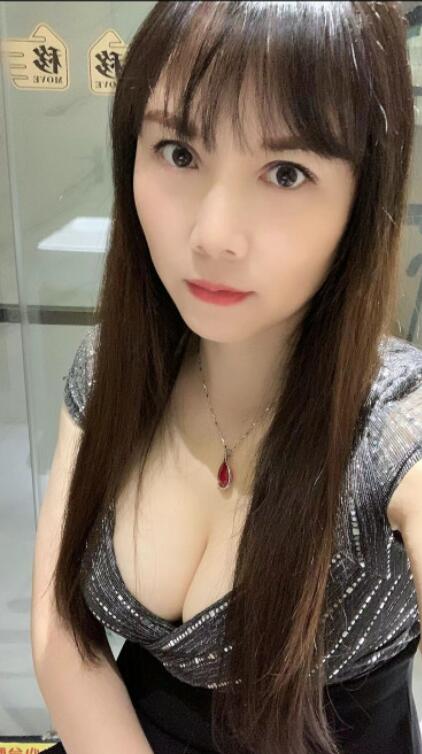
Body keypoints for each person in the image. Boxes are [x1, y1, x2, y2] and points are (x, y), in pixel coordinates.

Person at [31, 2, 422, 753]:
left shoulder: (394, 429)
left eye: (286, 172)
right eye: (179, 152)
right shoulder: (116, 369)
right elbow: (60, 634)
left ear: (362, 194)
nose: (213, 236)